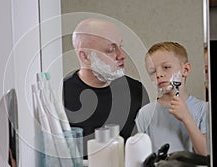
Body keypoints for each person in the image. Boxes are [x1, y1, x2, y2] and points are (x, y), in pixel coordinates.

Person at [63, 18, 150, 159]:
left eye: (120, 46)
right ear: (85, 57)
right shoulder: (61, 95)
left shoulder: (136, 91)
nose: (122, 55)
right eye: (111, 50)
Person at [135, 41, 208, 156]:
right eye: (152, 71)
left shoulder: (204, 109)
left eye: (166, 67)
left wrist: (187, 118)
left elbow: (206, 153)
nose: (159, 74)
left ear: (185, 70)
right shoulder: (145, 113)